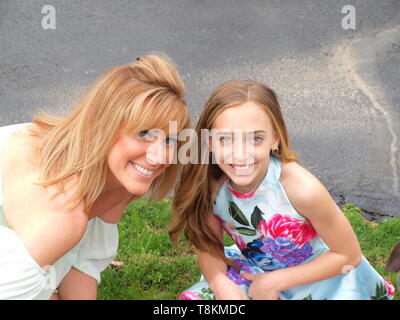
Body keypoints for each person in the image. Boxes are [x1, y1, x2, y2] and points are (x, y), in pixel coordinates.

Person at [169, 79, 395, 300]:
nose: (240, 153)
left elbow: (348, 254)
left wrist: (273, 282)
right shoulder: (211, 185)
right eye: (226, 139)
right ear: (209, 141)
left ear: (275, 139)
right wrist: (221, 285)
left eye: (255, 138)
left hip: (320, 276)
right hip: (254, 270)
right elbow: (209, 247)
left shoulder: (302, 190)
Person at [0, 54, 190, 299]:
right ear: (103, 125)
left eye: (169, 139)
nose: (159, 156)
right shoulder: (60, 216)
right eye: (143, 133)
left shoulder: (118, 178)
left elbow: (81, 268)